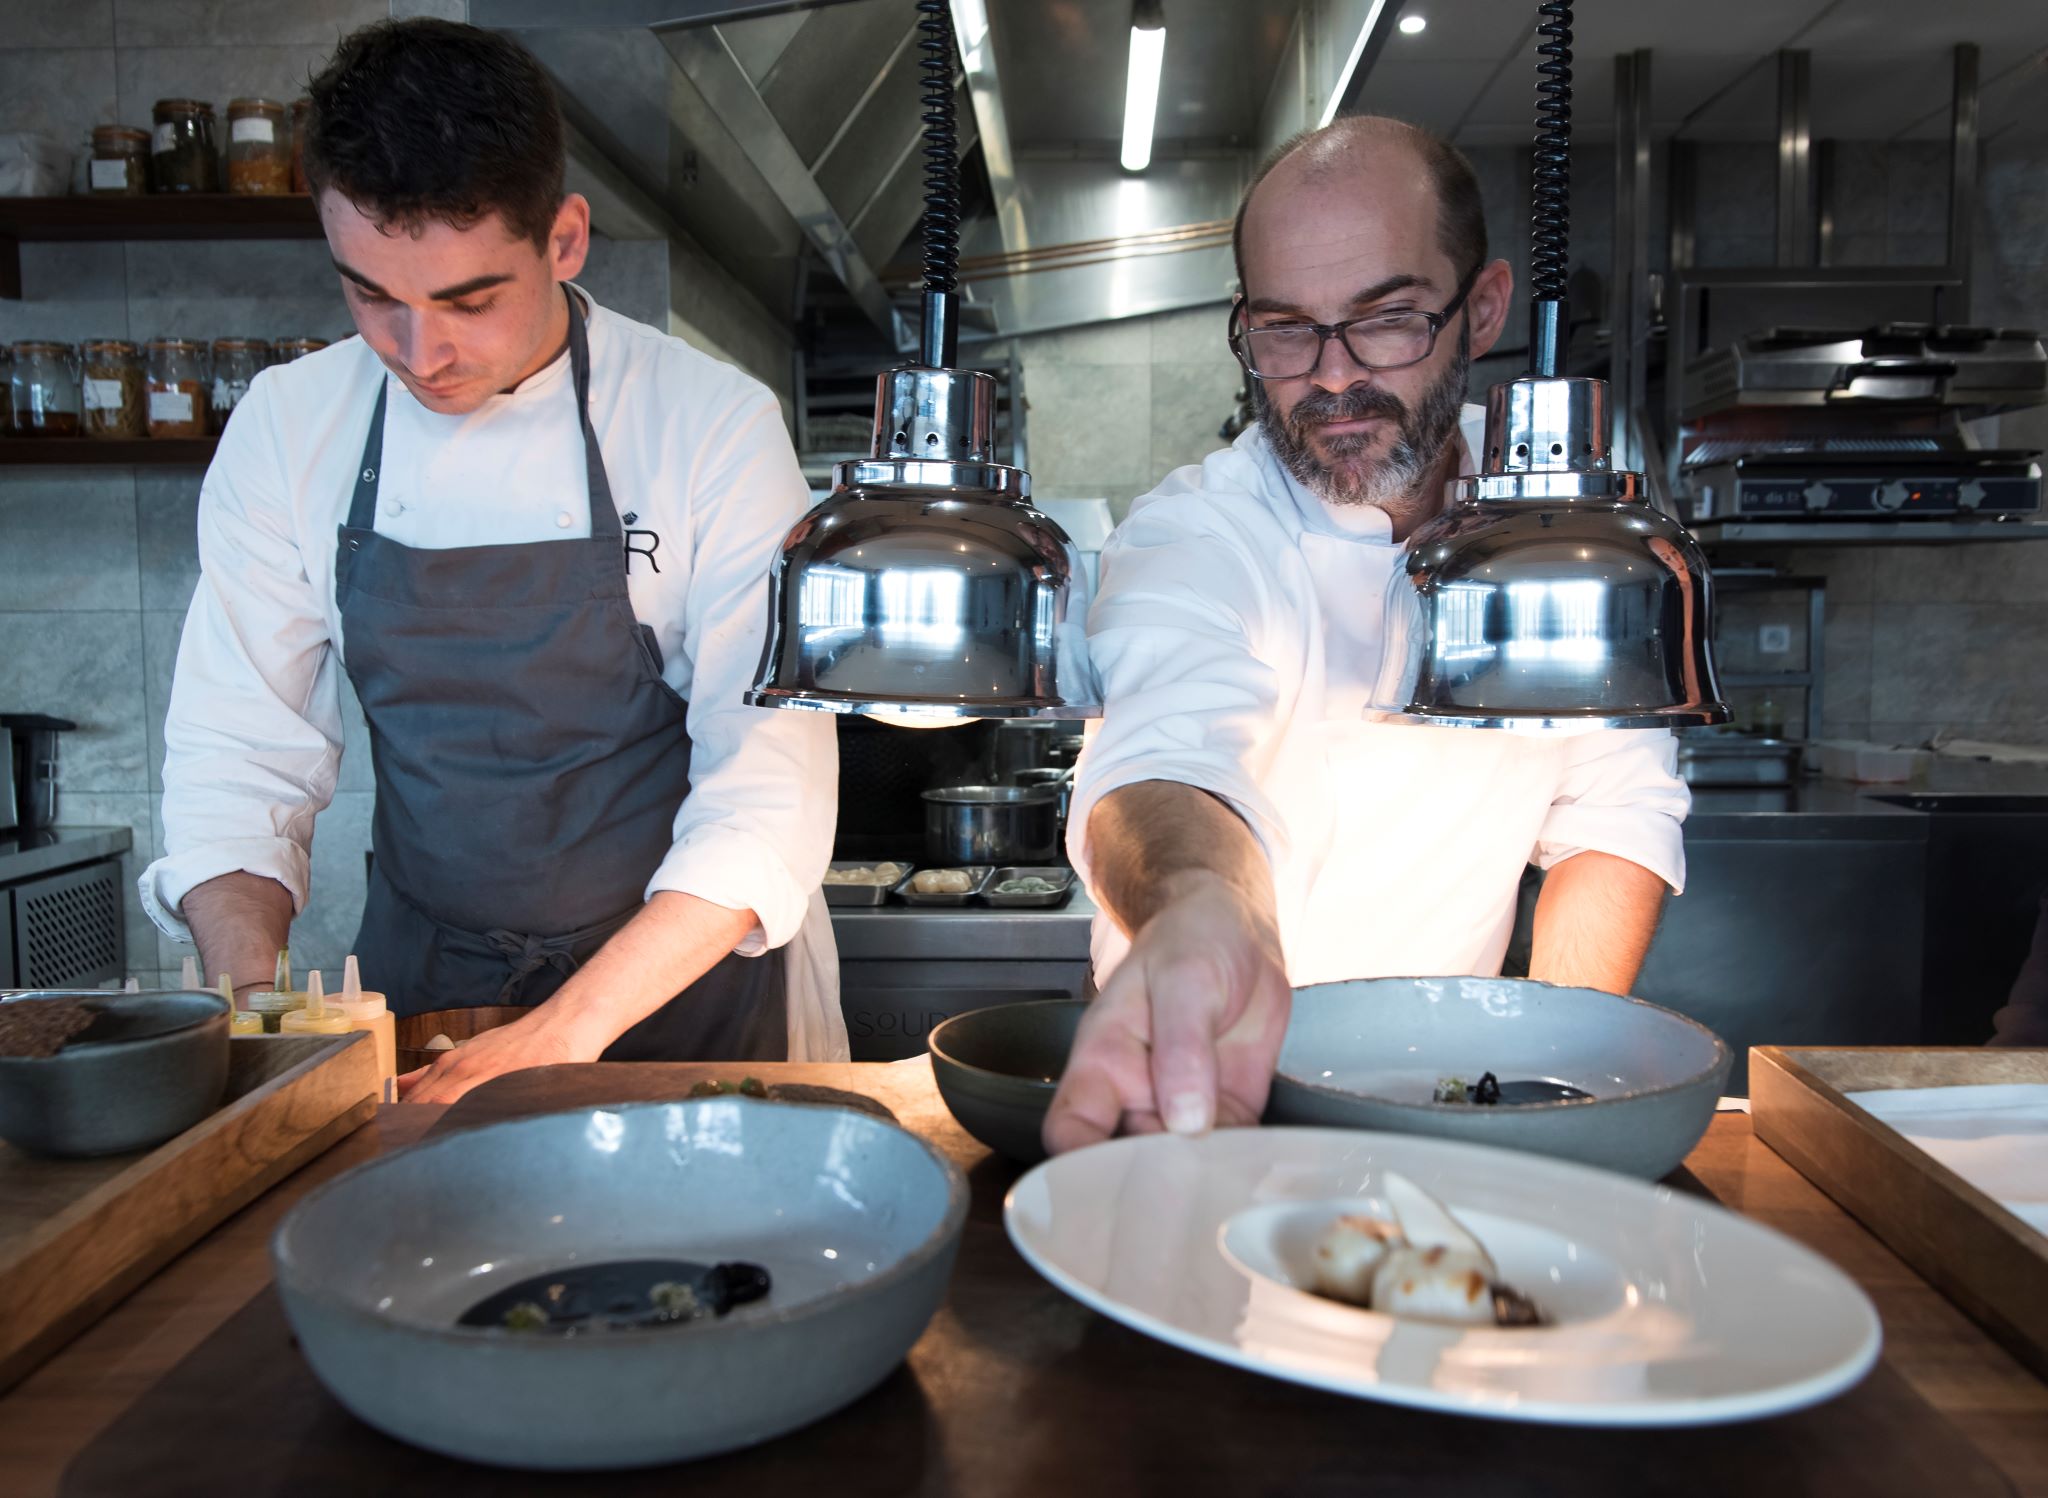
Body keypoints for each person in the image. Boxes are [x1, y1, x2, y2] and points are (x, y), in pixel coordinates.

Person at [139, 19, 838, 1102]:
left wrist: (566, 1028)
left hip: (682, 992)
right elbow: (242, 758)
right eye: (372, 296)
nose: (421, 356)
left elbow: (766, 792)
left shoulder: (708, 426)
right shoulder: (290, 427)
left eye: (468, 300)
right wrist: (252, 1004)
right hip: (427, 982)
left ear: (564, 240)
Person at [1044, 118, 1690, 1153]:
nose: (1331, 377)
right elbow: (1164, 755)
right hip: (1194, 1096)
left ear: (1480, 308)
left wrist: (1540, 1083)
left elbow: (1615, 813)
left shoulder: (1565, 539)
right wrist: (1211, 915)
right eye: (1284, 329)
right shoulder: (1199, 529)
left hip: (1444, 1110)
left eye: (1385, 319)